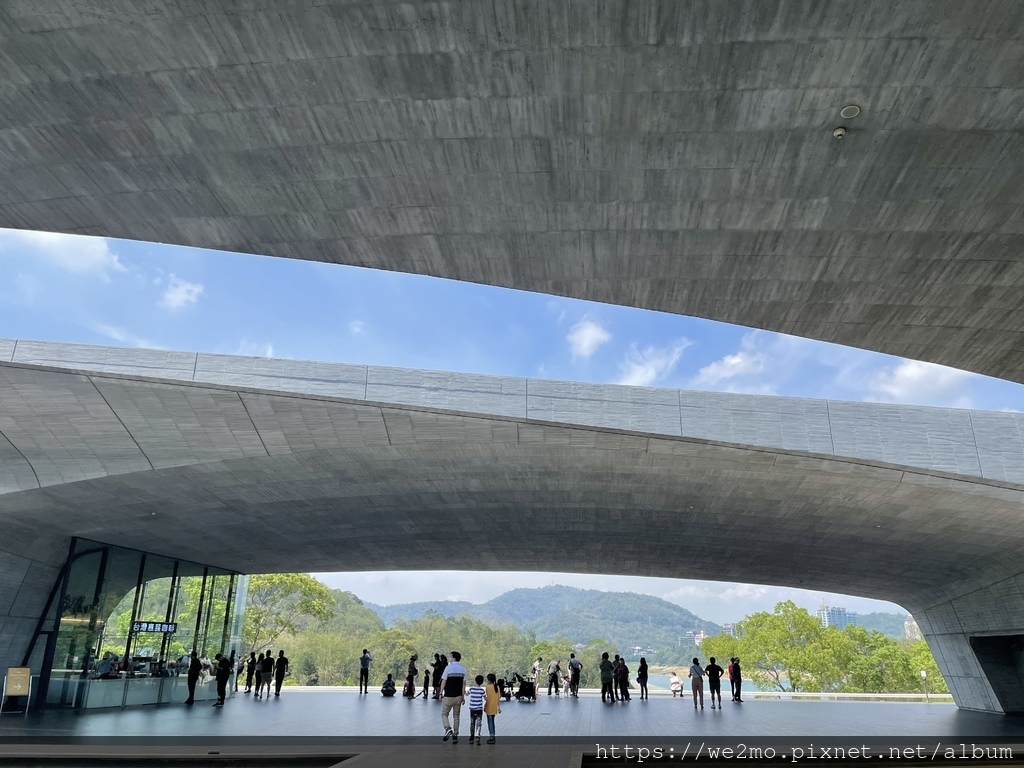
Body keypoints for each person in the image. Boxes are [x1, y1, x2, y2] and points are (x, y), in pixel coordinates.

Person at [440, 650, 467, 743]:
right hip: (458, 696)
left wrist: (440, 693)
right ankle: (455, 735)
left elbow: (444, 681)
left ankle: (447, 728)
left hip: (448, 696)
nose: (450, 659)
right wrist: (463, 697)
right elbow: (464, 685)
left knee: (444, 714)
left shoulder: (448, 668)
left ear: (454, 658)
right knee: (456, 716)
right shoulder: (463, 669)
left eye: (451, 657)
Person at [467, 674, 486, 745]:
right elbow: (485, 698)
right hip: (479, 709)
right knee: (479, 723)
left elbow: (466, 694)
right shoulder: (482, 690)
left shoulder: (471, 689)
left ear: (475, 681)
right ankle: (477, 735)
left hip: (472, 709)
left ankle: (471, 737)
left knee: (472, 723)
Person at [484, 673, 501, 744]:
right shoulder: (497, 687)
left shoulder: (488, 687)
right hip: (494, 707)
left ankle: (491, 736)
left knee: (490, 722)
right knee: (492, 722)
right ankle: (493, 735)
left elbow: (487, 698)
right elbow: (498, 698)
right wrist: (499, 707)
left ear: (489, 680)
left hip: (489, 707)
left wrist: (484, 698)